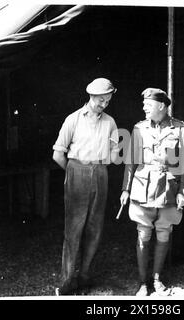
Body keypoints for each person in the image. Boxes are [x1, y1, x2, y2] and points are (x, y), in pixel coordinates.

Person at [120, 88, 184, 296]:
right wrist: (125, 188)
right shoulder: (139, 128)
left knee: (163, 232)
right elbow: (130, 162)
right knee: (143, 234)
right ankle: (143, 283)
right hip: (142, 190)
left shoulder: (180, 129)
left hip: (169, 191)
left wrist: (183, 192)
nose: (144, 108)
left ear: (161, 106)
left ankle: (157, 279)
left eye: (148, 104)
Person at [53, 78, 119, 295]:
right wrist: (74, 172)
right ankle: (67, 280)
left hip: (100, 172)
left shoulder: (110, 122)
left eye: (108, 101)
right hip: (76, 171)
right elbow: (58, 154)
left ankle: (85, 275)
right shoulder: (73, 119)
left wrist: (99, 166)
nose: (104, 105)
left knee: (94, 228)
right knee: (73, 229)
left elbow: (114, 153)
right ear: (91, 96)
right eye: (101, 100)